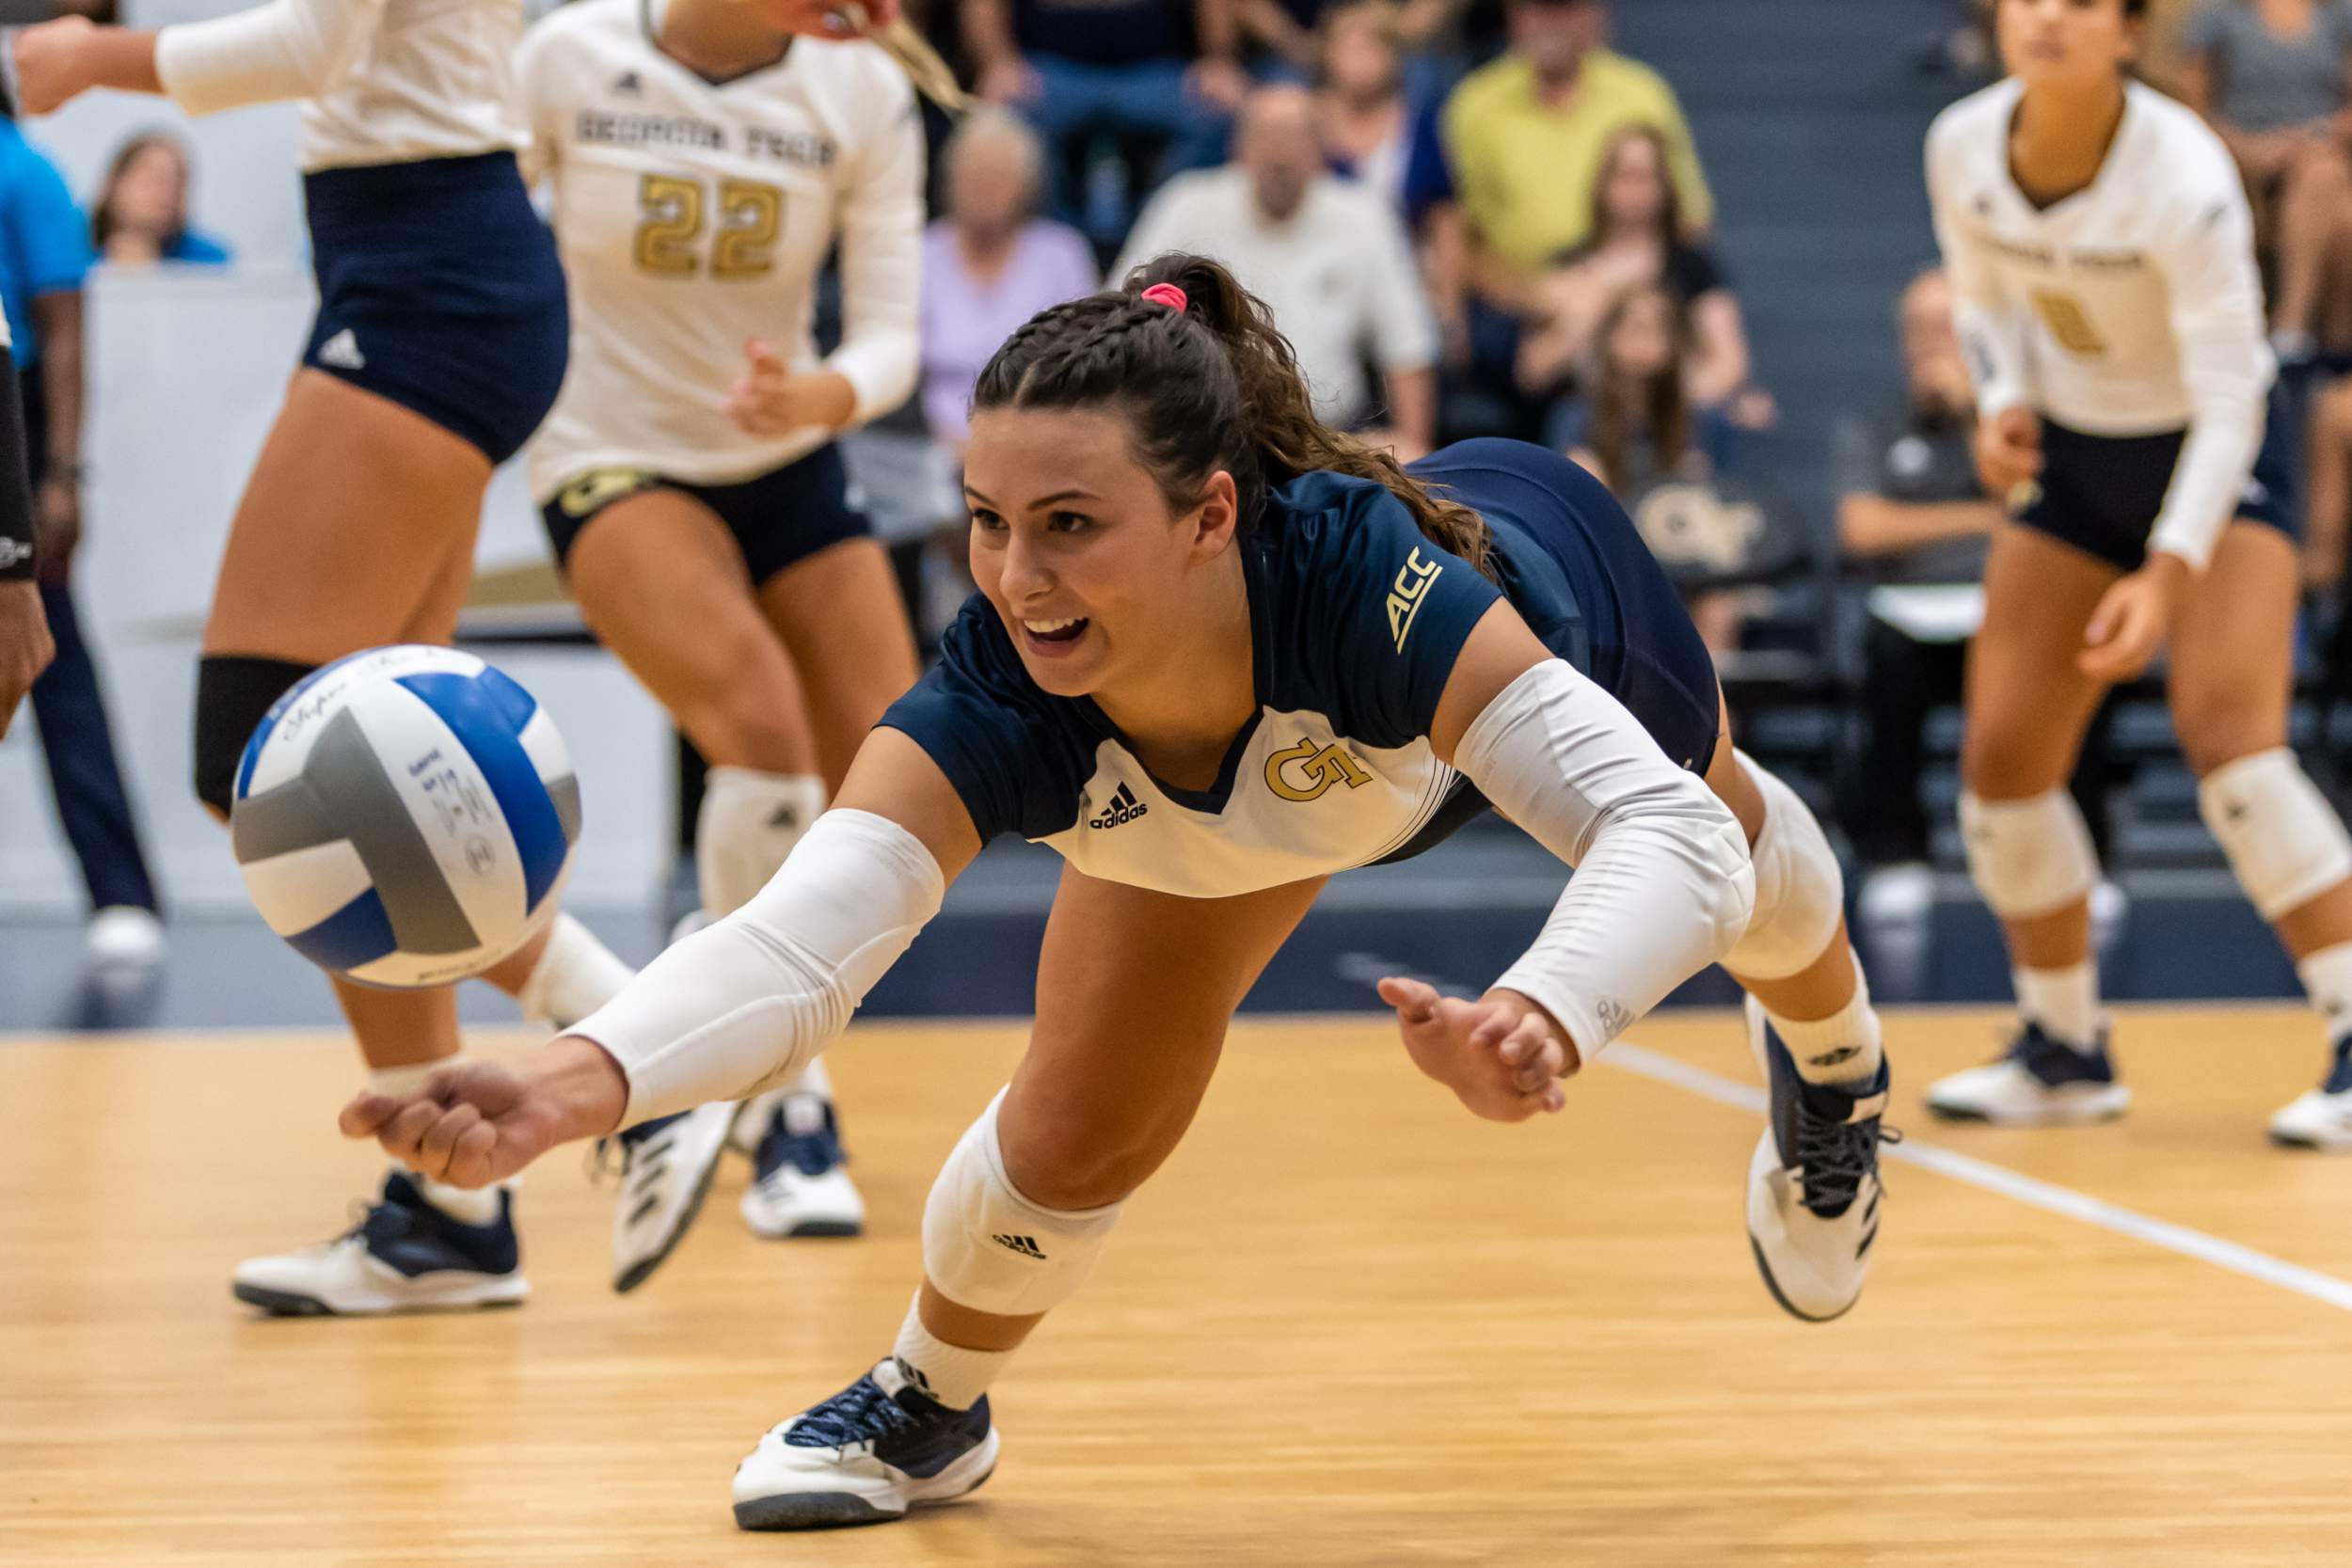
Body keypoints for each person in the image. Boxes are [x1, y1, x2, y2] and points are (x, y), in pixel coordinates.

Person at [344, 255, 1897, 1530]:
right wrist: (574, 1078)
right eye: (989, 521)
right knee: (1074, 1125)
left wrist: (1544, 1010)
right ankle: (931, 1401)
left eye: (1071, 525)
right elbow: (799, 943)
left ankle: (1836, 1073)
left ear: (1213, 513)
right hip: (1240, 792)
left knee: (1733, 852)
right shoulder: (1002, 678)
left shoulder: (1366, 579)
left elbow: (1666, 840)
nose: (1019, 578)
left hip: (1542, 600)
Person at [8, 0, 907, 1313]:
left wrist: (91, 59)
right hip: (428, 266)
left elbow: (315, 44)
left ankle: (643, 1053)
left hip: (430, 276)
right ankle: (450, 1208)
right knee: (358, 758)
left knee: (266, 753)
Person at [516, 0, 930, 1271]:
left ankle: (722, 978)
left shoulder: (860, 88)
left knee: (905, 778)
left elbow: (892, 331)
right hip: (608, 449)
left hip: (787, 455)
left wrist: (828, 390)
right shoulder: (569, 57)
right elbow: (470, 247)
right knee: (758, 729)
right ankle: (786, 1099)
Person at [1924, 0, 2352, 1148]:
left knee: (2234, 750)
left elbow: (2231, 396)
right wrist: (2001, 404)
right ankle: (2062, 1048)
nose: (2046, 19)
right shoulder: (1960, 142)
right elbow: (1979, 300)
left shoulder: (2186, 174)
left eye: (2078, 4)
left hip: (2212, 448)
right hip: (2072, 456)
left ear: (2128, 33)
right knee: (2002, 765)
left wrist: (2165, 574)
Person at [1833, 269, 2121, 931]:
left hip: (2011, 609)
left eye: (1946, 329)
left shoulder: (2022, 422)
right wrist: (1982, 520)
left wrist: (1975, 415)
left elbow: (2045, 510)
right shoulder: (1876, 424)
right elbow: (1861, 528)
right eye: (1918, 330)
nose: (1931, 345)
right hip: (1914, 613)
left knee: (2074, 661)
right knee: (1886, 659)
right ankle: (1897, 857)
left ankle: (2085, 857)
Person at [1, 107, 167, 968]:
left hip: (15, 424)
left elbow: (63, 327)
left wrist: (61, 475)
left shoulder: (25, 173)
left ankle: (121, 891)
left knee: (50, 657)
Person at [1116, 83, 1438, 454]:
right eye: (1266, 135)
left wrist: (1415, 449)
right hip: (1205, 434)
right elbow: (1124, 312)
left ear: (1321, 150)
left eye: (1296, 136)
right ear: (1238, 147)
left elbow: (1408, 346)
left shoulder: (1364, 215)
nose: (1280, 153)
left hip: (1331, 439)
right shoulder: (1186, 204)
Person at [961, 0, 1247, 253]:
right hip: (1052, 73)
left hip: (1154, 72)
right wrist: (997, 61)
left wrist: (1218, 60)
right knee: (1008, 113)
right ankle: (1061, 252)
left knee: (1215, 111)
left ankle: (1160, 236)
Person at [1516, 125, 1751, 418]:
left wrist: (1665, 405)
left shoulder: (1690, 264)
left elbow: (1730, 363)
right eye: (1625, 175)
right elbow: (1531, 371)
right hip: (1589, 416)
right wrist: (1589, 311)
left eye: (1646, 177)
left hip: (1674, 416)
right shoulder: (1569, 265)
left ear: (1665, 187)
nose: (1635, 190)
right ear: (1603, 182)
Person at [2176, 0, 2352, 360]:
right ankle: (2324, 347)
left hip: (2323, 149)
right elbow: (2192, 108)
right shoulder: (2217, 13)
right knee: (2336, 197)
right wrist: (2248, 149)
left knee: (2329, 186)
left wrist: (2314, 137)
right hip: (2243, 155)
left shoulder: (2340, 12)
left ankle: (2292, 332)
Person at [921, 109, 1099, 454]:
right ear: (950, 179)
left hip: (1039, 442)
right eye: (973, 175)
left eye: (999, 177)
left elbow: (1084, 369)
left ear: (1027, 187)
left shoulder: (1062, 254)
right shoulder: (920, 252)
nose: (984, 189)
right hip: (924, 446)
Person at [90, 132, 231, 265]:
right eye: (150, 180)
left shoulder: (210, 262)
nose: (163, 194)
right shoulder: (80, 251)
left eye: (175, 184)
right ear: (114, 184)